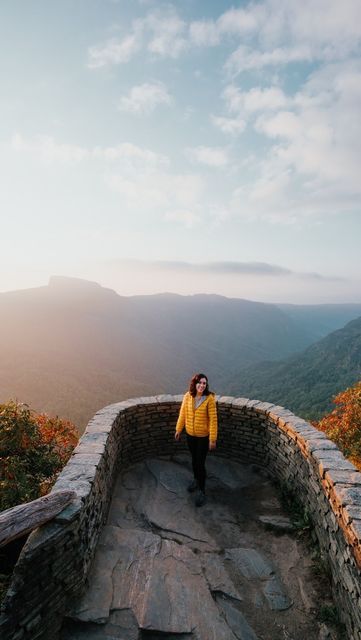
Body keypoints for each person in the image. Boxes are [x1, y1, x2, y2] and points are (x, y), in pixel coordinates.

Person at [175, 372, 217, 507]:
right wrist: (178, 429)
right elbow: (182, 414)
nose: (202, 385)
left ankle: (202, 490)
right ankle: (196, 480)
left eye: (204, 383)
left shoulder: (209, 399)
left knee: (200, 463)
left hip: (203, 437)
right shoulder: (188, 396)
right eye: (200, 383)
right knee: (194, 460)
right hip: (190, 435)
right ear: (195, 383)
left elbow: (213, 420)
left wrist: (212, 439)